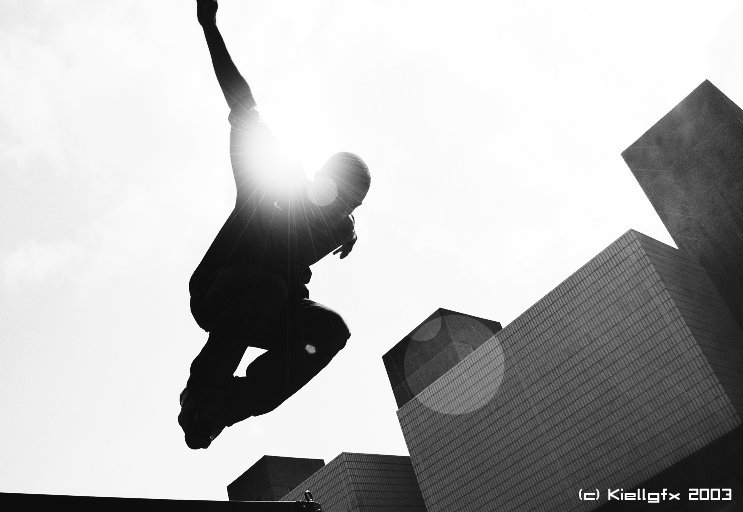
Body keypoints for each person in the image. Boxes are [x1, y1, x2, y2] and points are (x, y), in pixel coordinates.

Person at [179, 0, 371, 450]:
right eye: (335, 194)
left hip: (270, 307)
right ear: (318, 177)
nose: (336, 209)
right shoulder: (273, 179)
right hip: (218, 290)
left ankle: (230, 406)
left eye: (348, 206)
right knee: (267, 288)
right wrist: (210, 27)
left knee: (331, 329)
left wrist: (346, 228)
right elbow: (242, 103)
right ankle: (203, 395)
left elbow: (337, 222)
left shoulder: (334, 228)